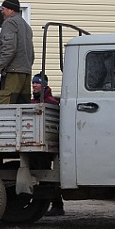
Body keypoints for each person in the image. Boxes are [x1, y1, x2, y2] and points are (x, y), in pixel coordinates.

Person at [30, 72, 63, 216]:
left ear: (44, 85)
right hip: (34, 143)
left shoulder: (50, 103)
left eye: (37, 83)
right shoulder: (33, 102)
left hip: (44, 145)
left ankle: (56, 205)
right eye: (33, 82)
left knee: (45, 174)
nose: (34, 85)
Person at [0, 0, 34, 104]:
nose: (2, 12)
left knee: (6, 109)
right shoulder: (26, 26)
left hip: (13, 73)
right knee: (23, 110)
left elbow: (9, 48)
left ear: (11, 10)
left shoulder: (10, 23)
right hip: (26, 73)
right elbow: (31, 53)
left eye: (3, 9)